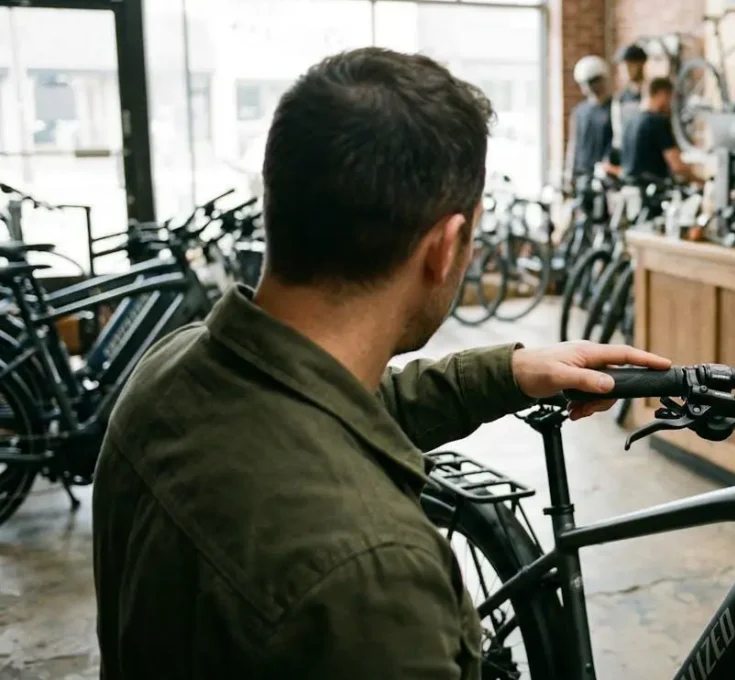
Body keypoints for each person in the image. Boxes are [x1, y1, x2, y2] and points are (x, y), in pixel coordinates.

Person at [92, 47, 671, 679]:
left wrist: (510, 370)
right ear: (446, 248)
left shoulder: (167, 375)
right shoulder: (373, 573)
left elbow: (336, 411)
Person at [620, 77, 697, 183]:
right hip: (652, 191)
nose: (670, 104)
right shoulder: (657, 121)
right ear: (662, 94)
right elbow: (677, 166)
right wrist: (700, 180)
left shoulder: (630, 121)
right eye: (670, 98)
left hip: (628, 188)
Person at [565, 54, 615, 186]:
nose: (589, 86)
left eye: (593, 81)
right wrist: (569, 175)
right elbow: (574, 144)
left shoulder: (614, 108)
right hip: (584, 174)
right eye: (585, 83)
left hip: (606, 177)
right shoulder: (580, 112)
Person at [611, 43, 648, 158]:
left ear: (641, 64)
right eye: (622, 66)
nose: (626, 70)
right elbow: (618, 135)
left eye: (630, 65)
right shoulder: (620, 99)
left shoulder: (650, 93)